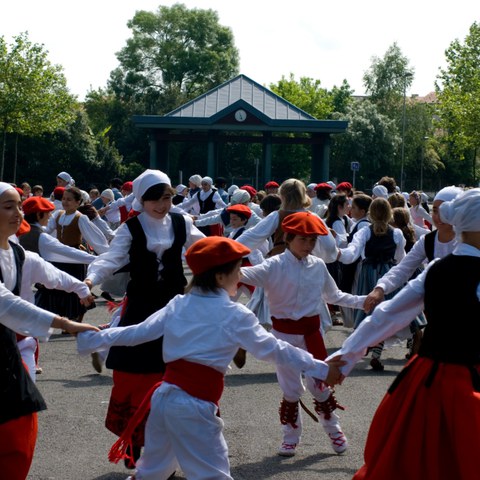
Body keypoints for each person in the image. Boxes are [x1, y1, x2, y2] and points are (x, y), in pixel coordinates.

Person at [76, 236, 346, 479]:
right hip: (194, 406)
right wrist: (321, 369)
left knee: (151, 473)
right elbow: (276, 350)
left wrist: (94, 337)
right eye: (236, 271)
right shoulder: (235, 314)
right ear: (219, 277)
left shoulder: (179, 303)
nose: (240, 276)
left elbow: (138, 333)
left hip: (163, 401)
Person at [327, 188, 480, 480]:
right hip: (462, 383)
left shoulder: (437, 269)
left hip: (429, 378)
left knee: (416, 461)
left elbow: (388, 315)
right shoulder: (437, 256)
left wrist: (344, 357)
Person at [83, 169, 204, 467]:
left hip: (176, 308)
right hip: (140, 309)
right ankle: (135, 446)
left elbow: (203, 250)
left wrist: (232, 263)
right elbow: (111, 260)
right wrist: (90, 280)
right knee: (135, 378)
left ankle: (170, 451)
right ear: (141, 198)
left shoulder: (181, 221)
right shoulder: (131, 227)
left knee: (177, 378)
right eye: (154, 199)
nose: (161, 205)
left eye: (166, 198)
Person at [240, 212, 366, 457]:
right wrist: (222, 259)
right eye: (303, 240)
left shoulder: (318, 265)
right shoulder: (274, 264)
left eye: (312, 241)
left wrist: (365, 302)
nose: (309, 245)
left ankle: (334, 430)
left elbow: (334, 296)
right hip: (283, 336)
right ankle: (290, 437)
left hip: (312, 333)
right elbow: (245, 274)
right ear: (288, 238)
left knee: (320, 385)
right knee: (290, 389)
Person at [0, 181, 98, 480]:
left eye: (20, 205)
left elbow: (54, 273)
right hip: (11, 347)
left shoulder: (20, 255)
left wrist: (85, 284)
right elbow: (6, 303)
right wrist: (66, 323)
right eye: (8, 207)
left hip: (10, 354)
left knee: (19, 432)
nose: (18, 213)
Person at [337, 197, 406, 370]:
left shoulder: (365, 232)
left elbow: (352, 253)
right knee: (386, 314)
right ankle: (376, 353)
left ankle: (354, 350)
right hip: (389, 275)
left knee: (368, 311)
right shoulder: (396, 233)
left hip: (368, 274)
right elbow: (400, 258)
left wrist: (336, 253)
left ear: (371, 213)